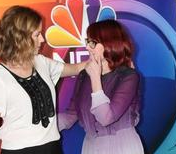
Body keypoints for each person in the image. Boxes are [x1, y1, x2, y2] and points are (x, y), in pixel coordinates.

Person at [0, 5, 86, 154]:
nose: (42, 40)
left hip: (53, 148)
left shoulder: (41, 62)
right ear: (20, 38)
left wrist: (100, 57)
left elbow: (76, 68)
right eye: (37, 35)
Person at [58, 20, 144, 154]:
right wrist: (42, 125)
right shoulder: (83, 76)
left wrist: (95, 78)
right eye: (87, 42)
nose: (87, 47)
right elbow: (70, 116)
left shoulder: (128, 76)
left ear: (109, 44)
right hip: (91, 147)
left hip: (122, 147)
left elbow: (106, 118)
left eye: (92, 43)